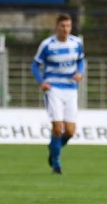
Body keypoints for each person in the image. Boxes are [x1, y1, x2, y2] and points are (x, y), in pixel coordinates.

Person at [31, 14, 85, 175]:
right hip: (53, 88)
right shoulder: (47, 45)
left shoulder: (77, 43)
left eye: (68, 26)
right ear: (57, 27)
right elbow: (35, 65)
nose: (66, 29)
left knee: (69, 131)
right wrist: (42, 82)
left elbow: (81, 60)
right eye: (63, 26)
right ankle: (56, 164)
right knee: (57, 128)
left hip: (71, 89)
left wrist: (80, 73)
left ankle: (54, 148)